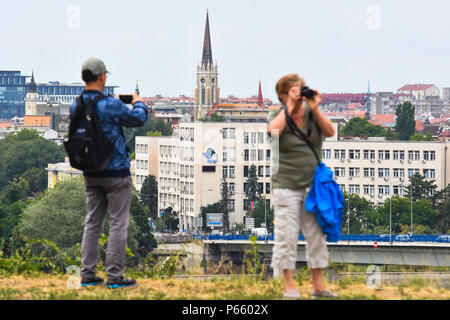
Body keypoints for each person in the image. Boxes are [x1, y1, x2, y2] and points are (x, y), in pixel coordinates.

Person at [71, 57, 148, 289]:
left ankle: (87, 275)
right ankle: (114, 277)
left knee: (92, 222)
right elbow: (139, 119)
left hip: (90, 172)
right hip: (116, 173)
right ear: (102, 76)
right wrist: (138, 102)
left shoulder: (77, 105)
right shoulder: (110, 105)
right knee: (117, 223)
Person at [267, 73, 338, 299]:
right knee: (286, 237)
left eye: (301, 89)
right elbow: (273, 131)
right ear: (283, 95)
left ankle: (319, 286)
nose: (299, 93)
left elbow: (330, 132)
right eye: (293, 90)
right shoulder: (277, 115)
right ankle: (289, 287)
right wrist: (289, 107)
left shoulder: (311, 115)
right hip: (286, 186)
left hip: (313, 188)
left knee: (316, 236)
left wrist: (315, 108)